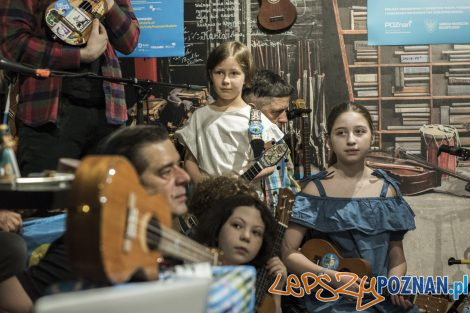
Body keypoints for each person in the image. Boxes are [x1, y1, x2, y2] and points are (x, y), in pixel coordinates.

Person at [0, 125, 190, 313]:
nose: (185, 177)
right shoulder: (94, 248)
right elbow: (9, 299)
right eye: (166, 172)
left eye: (179, 166)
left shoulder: (163, 239)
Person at [281, 102, 418, 313]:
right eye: (341, 133)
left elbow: (396, 256)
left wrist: (395, 282)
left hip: (378, 301)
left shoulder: (387, 190)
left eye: (359, 131)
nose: (351, 140)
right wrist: (332, 278)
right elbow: (288, 252)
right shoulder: (315, 190)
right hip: (327, 301)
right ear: (328, 140)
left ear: (372, 136)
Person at [0, 0, 140, 176]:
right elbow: (12, 44)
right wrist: (80, 55)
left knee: (108, 198)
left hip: (109, 114)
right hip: (49, 117)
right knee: (47, 200)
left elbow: (130, 42)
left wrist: (109, 4)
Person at [175, 41, 284, 184]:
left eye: (234, 73)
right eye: (219, 72)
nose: (226, 81)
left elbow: (269, 164)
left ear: (247, 76)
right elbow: (190, 160)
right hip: (208, 200)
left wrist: (240, 182)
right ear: (210, 74)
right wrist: (205, 186)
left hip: (246, 199)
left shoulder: (256, 119)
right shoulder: (199, 116)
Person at [193, 194, 287, 313]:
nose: (246, 236)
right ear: (218, 228)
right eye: (237, 226)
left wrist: (276, 290)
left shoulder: (255, 281)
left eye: (256, 232)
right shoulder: (193, 273)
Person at [242, 69, 300, 210]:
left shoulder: (279, 142)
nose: (285, 119)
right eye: (276, 112)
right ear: (252, 110)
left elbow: (289, 186)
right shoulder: (233, 142)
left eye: (285, 110)